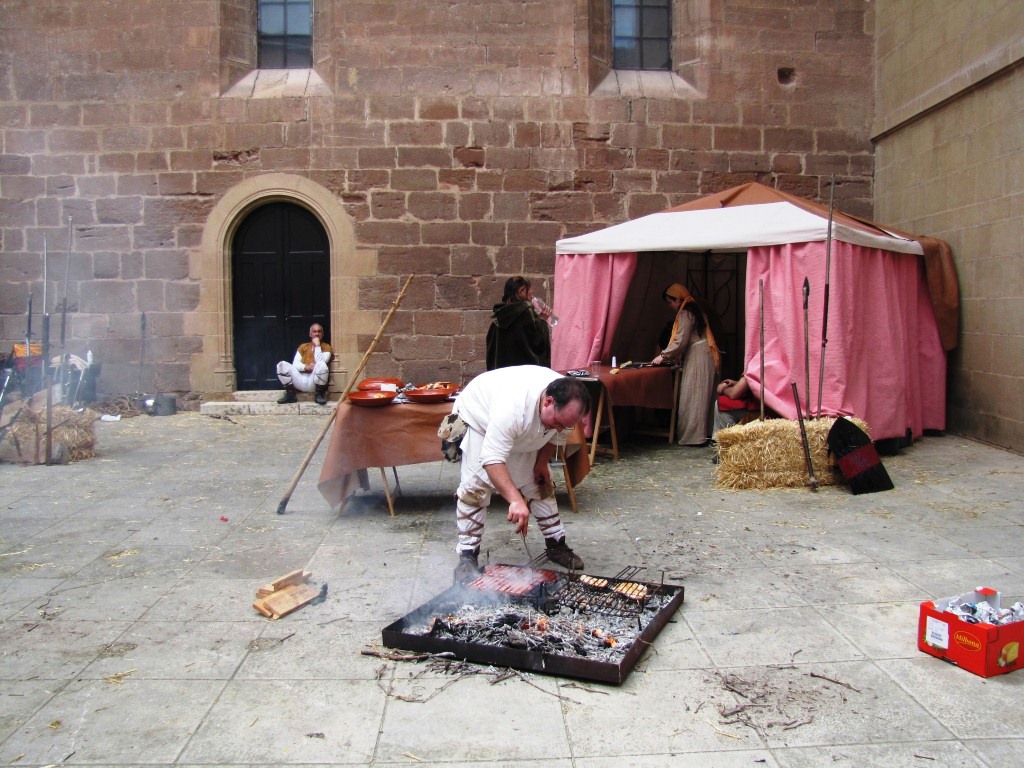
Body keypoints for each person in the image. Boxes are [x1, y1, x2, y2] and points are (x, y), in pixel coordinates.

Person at [450, 365, 591, 582]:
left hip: (523, 430)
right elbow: (492, 459)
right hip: (480, 421)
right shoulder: (512, 408)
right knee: (475, 490)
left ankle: (556, 545)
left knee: (541, 485)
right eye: (557, 423)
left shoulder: (566, 411)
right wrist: (515, 501)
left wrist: (541, 463)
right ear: (548, 401)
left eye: (565, 425)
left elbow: (556, 436)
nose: (560, 428)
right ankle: (467, 555)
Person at [651, 283, 721, 446]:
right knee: (703, 396)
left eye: (670, 302)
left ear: (678, 299)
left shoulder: (686, 313)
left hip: (699, 356)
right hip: (704, 353)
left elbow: (680, 340)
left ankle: (694, 437)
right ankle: (705, 433)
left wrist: (663, 355)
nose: (670, 306)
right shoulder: (696, 310)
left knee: (694, 395)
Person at [485, 276, 551, 370]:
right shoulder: (526, 312)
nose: (532, 292)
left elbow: (490, 347)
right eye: (530, 288)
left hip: (502, 374)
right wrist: (543, 320)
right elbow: (540, 344)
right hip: (525, 373)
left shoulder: (499, 316)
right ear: (521, 291)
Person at [276, 323, 332, 405]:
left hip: (314, 382)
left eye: (319, 331)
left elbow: (321, 362)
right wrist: (305, 367)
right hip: (300, 379)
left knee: (322, 365)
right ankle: (290, 394)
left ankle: (319, 395)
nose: (317, 334)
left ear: (322, 334)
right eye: (314, 331)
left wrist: (317, 345)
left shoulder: (327, 347)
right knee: (282, 365)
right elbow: (295, 364)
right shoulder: (303, 346)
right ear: (310, 334)